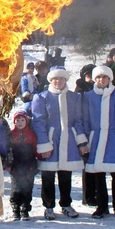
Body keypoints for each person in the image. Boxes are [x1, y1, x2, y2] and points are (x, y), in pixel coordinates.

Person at [31, 67, 87, 220]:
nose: (58, 81)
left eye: (61, 78)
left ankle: (66, 204)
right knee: (48, 176)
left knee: (65, 175)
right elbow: (38, 122)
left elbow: (77, 120)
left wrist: (81, 142)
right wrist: (44, 144)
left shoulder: (74, 97)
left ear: (65, 80)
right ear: (50, 80)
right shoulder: (42, 97)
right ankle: (48, 207)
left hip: (68, 141)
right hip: (50, 140)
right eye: (55, 79)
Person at [83, 65, 115, 220]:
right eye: (98, 77)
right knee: (98, 175)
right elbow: (85, 119)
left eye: (104, 77)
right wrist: (86, 139)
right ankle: (102, 206)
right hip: (96, 138)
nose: (101, 80)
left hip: (114, 138)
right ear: (94, 79)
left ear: (109, 79)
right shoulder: (88, 96)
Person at [6, 110, 38, 220]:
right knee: (16, 188)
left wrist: (37, 160)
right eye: (17, 120)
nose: (20, 122)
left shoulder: (32, 135)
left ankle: (25, 209)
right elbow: (8, 150)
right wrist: (9, 164)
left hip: (29, 165)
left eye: (22, 120)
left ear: (26, 121)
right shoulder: (11, 134)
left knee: (27, 188)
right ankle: (15, 209)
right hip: (16, 165)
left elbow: (35, 149)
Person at [74, 63, 96, 206]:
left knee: (98, 167)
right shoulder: (80, 92)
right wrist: (82, 139)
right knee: (87, 167)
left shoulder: (100, 89)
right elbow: (78, 116)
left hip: (98, 132)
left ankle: (97, 194)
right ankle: (87, 196)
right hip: (85, 133)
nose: (91, 78)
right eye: (88, 75)